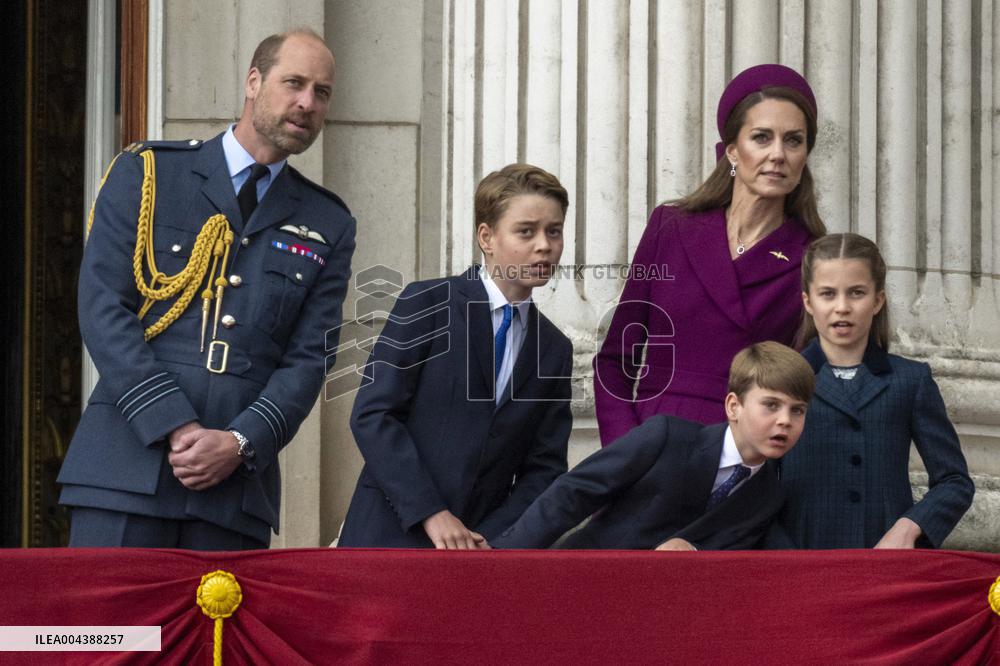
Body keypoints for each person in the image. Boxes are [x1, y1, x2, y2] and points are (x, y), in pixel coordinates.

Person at [57, 29, 356, 549]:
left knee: (216, 636)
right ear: (254, 80)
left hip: (232, 493)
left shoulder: (327, 221)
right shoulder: (148, 173)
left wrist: (241, 442)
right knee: (111, 636)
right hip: (122, 473)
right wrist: (173, 424)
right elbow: (104, 308)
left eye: (322, 92)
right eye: (294, 83)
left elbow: (310, 358)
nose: (307, 103)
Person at [338, 164, 573, 549]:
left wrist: (492, 538)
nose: (544, 245)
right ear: (487, 237)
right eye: (526, 231)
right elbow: (373, 415)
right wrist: (432, 513)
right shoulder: (427, 303)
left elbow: (544, 468)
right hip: (388, 536)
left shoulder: (554, 349)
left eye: (555, 231)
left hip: (480, 552)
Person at [593, 64, 827, 445]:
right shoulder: (671, 228)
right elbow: (616, 359)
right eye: (762, 137)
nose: (778, 154)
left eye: (794, 141)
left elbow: (807, 385)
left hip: (742, 455)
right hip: (649, 446)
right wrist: (623, 452)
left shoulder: (813, 258)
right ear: (733, 150)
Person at [491, 341, 814, 550]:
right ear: (733, 406)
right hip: (584, 583)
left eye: (797, 410)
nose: (785, 420)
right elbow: (574, 492)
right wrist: (503, 561)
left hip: (661, 621)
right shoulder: (668, 437)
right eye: (771, 405)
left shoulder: (768, 495)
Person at [772, 233, 974, 549]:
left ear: (877, 300)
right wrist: (782, 553)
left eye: (856, 293)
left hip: (882, 561)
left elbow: (954, 481)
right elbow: (753, 485)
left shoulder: (910, 380)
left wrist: (909, 527)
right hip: (799, 562)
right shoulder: (781, 379)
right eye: (828, 294)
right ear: (808, 301)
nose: (842, 307)